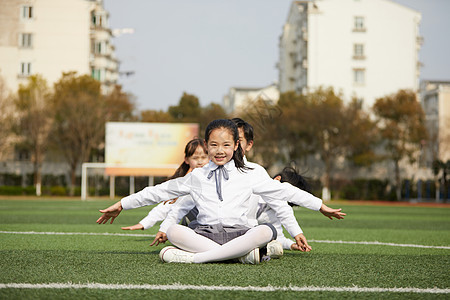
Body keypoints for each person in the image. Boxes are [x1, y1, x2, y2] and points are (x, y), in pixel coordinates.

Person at [97, 119, 327, 264]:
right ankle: (240, 255)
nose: (220, 151)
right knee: (175, 230)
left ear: (236, 146)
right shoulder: (196, 176)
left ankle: (195, 260)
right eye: (214, 145)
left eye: (226, 145)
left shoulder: (250, 173)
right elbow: (158, 191)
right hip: (204, 234)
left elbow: (285, 193)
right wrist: (122, 204)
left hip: (240, 234)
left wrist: (319, 206)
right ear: (206, 145)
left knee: (266, 231)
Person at [121, 138, 208, 231]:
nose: (200, 162)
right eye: (195, 158)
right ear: (187, 160)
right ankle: (191, 228)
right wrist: (145, 223)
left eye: (204, 157)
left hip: (215, 223)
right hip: (199, 223)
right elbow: (166, 204)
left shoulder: (215, 176)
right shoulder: (185, 181)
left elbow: (182, 205)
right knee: (179, 201)